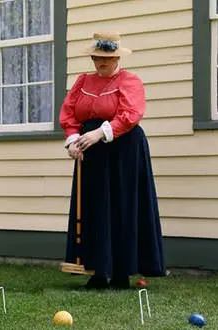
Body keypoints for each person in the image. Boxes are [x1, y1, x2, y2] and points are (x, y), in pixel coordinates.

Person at [59, 32, 166, 289]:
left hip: (124, 150)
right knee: (95, 207)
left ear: (117, 57)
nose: (100, 62)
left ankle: (120, 273)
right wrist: (74, 141)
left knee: (122, 206)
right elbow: (69, 112)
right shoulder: (82, 81)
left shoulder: (130, 81)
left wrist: (98, 133)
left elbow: (131, 115)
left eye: (106, 58)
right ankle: (97, 271)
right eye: (96, 57)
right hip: (91, 152)